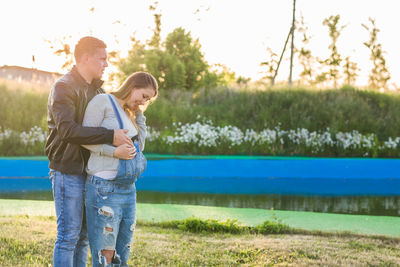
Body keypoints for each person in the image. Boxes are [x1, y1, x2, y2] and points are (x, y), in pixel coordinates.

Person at [45, 36, 132, 267]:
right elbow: (68, 131)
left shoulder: (97, 90)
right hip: (68, 170)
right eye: (102, 59)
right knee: (68, 236)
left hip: (91, 173)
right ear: (85, 58)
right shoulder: (63, 87)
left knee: (84, 238)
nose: (106, 64)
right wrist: (109, 137)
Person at [81, 72, 158, 266]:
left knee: (122, 254)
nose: (143, 102)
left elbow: (139, 147)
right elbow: (85, 139)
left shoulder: (129, 112)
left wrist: (139, 115)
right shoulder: (103, 101)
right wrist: (114, 153)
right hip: (103, 188)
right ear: (133, 86)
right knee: (105, 257)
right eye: (143, 96)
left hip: (128, 190)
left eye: (148, 100)